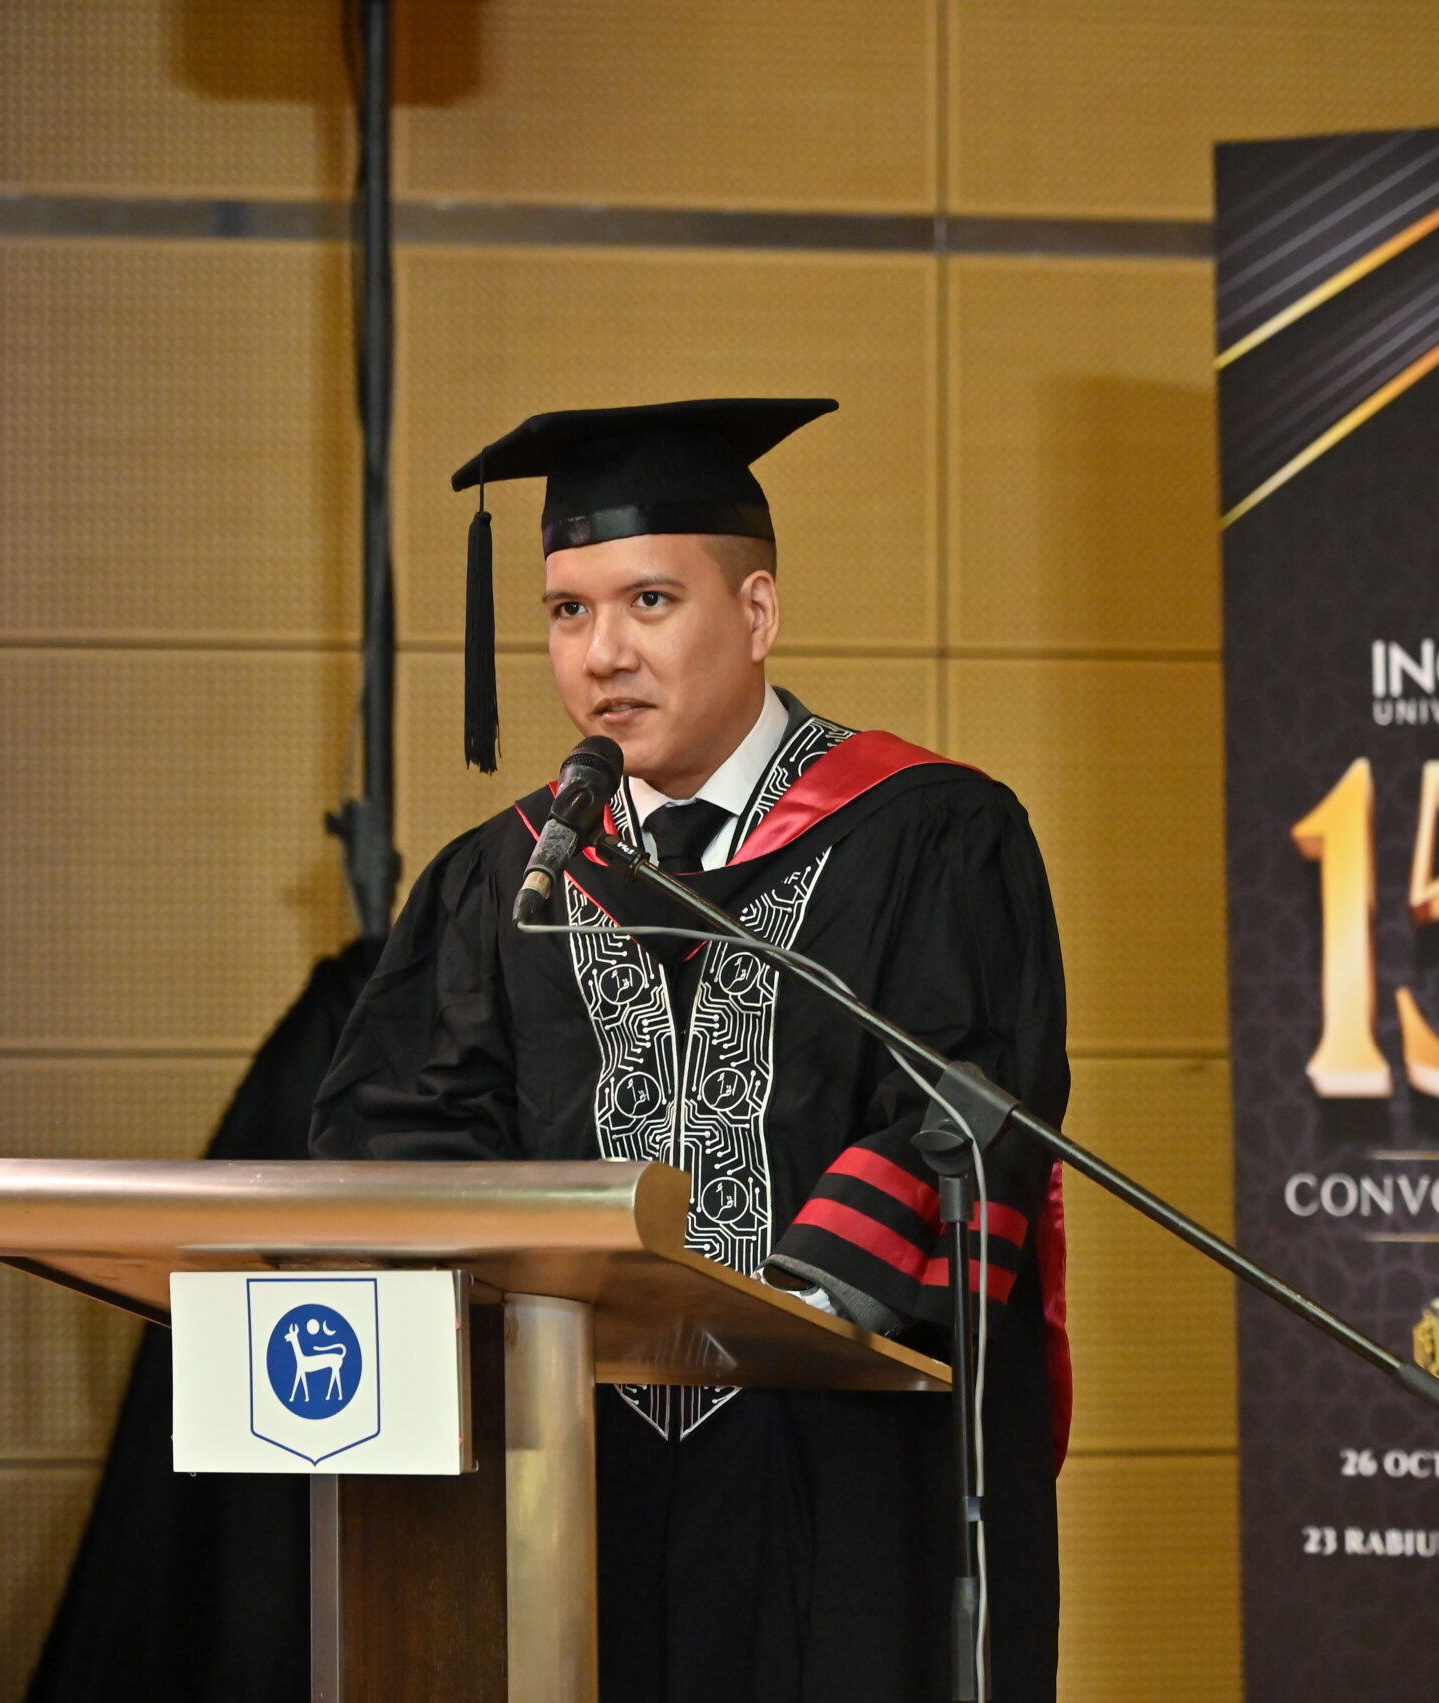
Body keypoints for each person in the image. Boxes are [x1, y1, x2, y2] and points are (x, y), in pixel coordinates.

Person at [309, 398, 1072, 1703]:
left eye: (650, 602)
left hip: (839, 1467)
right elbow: (399, 1131)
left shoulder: (928, 836)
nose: (603, 654)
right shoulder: (508, 877)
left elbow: (968, 1105)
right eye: (567, 612)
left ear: (757, 612)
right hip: (568, 1471)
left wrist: (790, 1306)